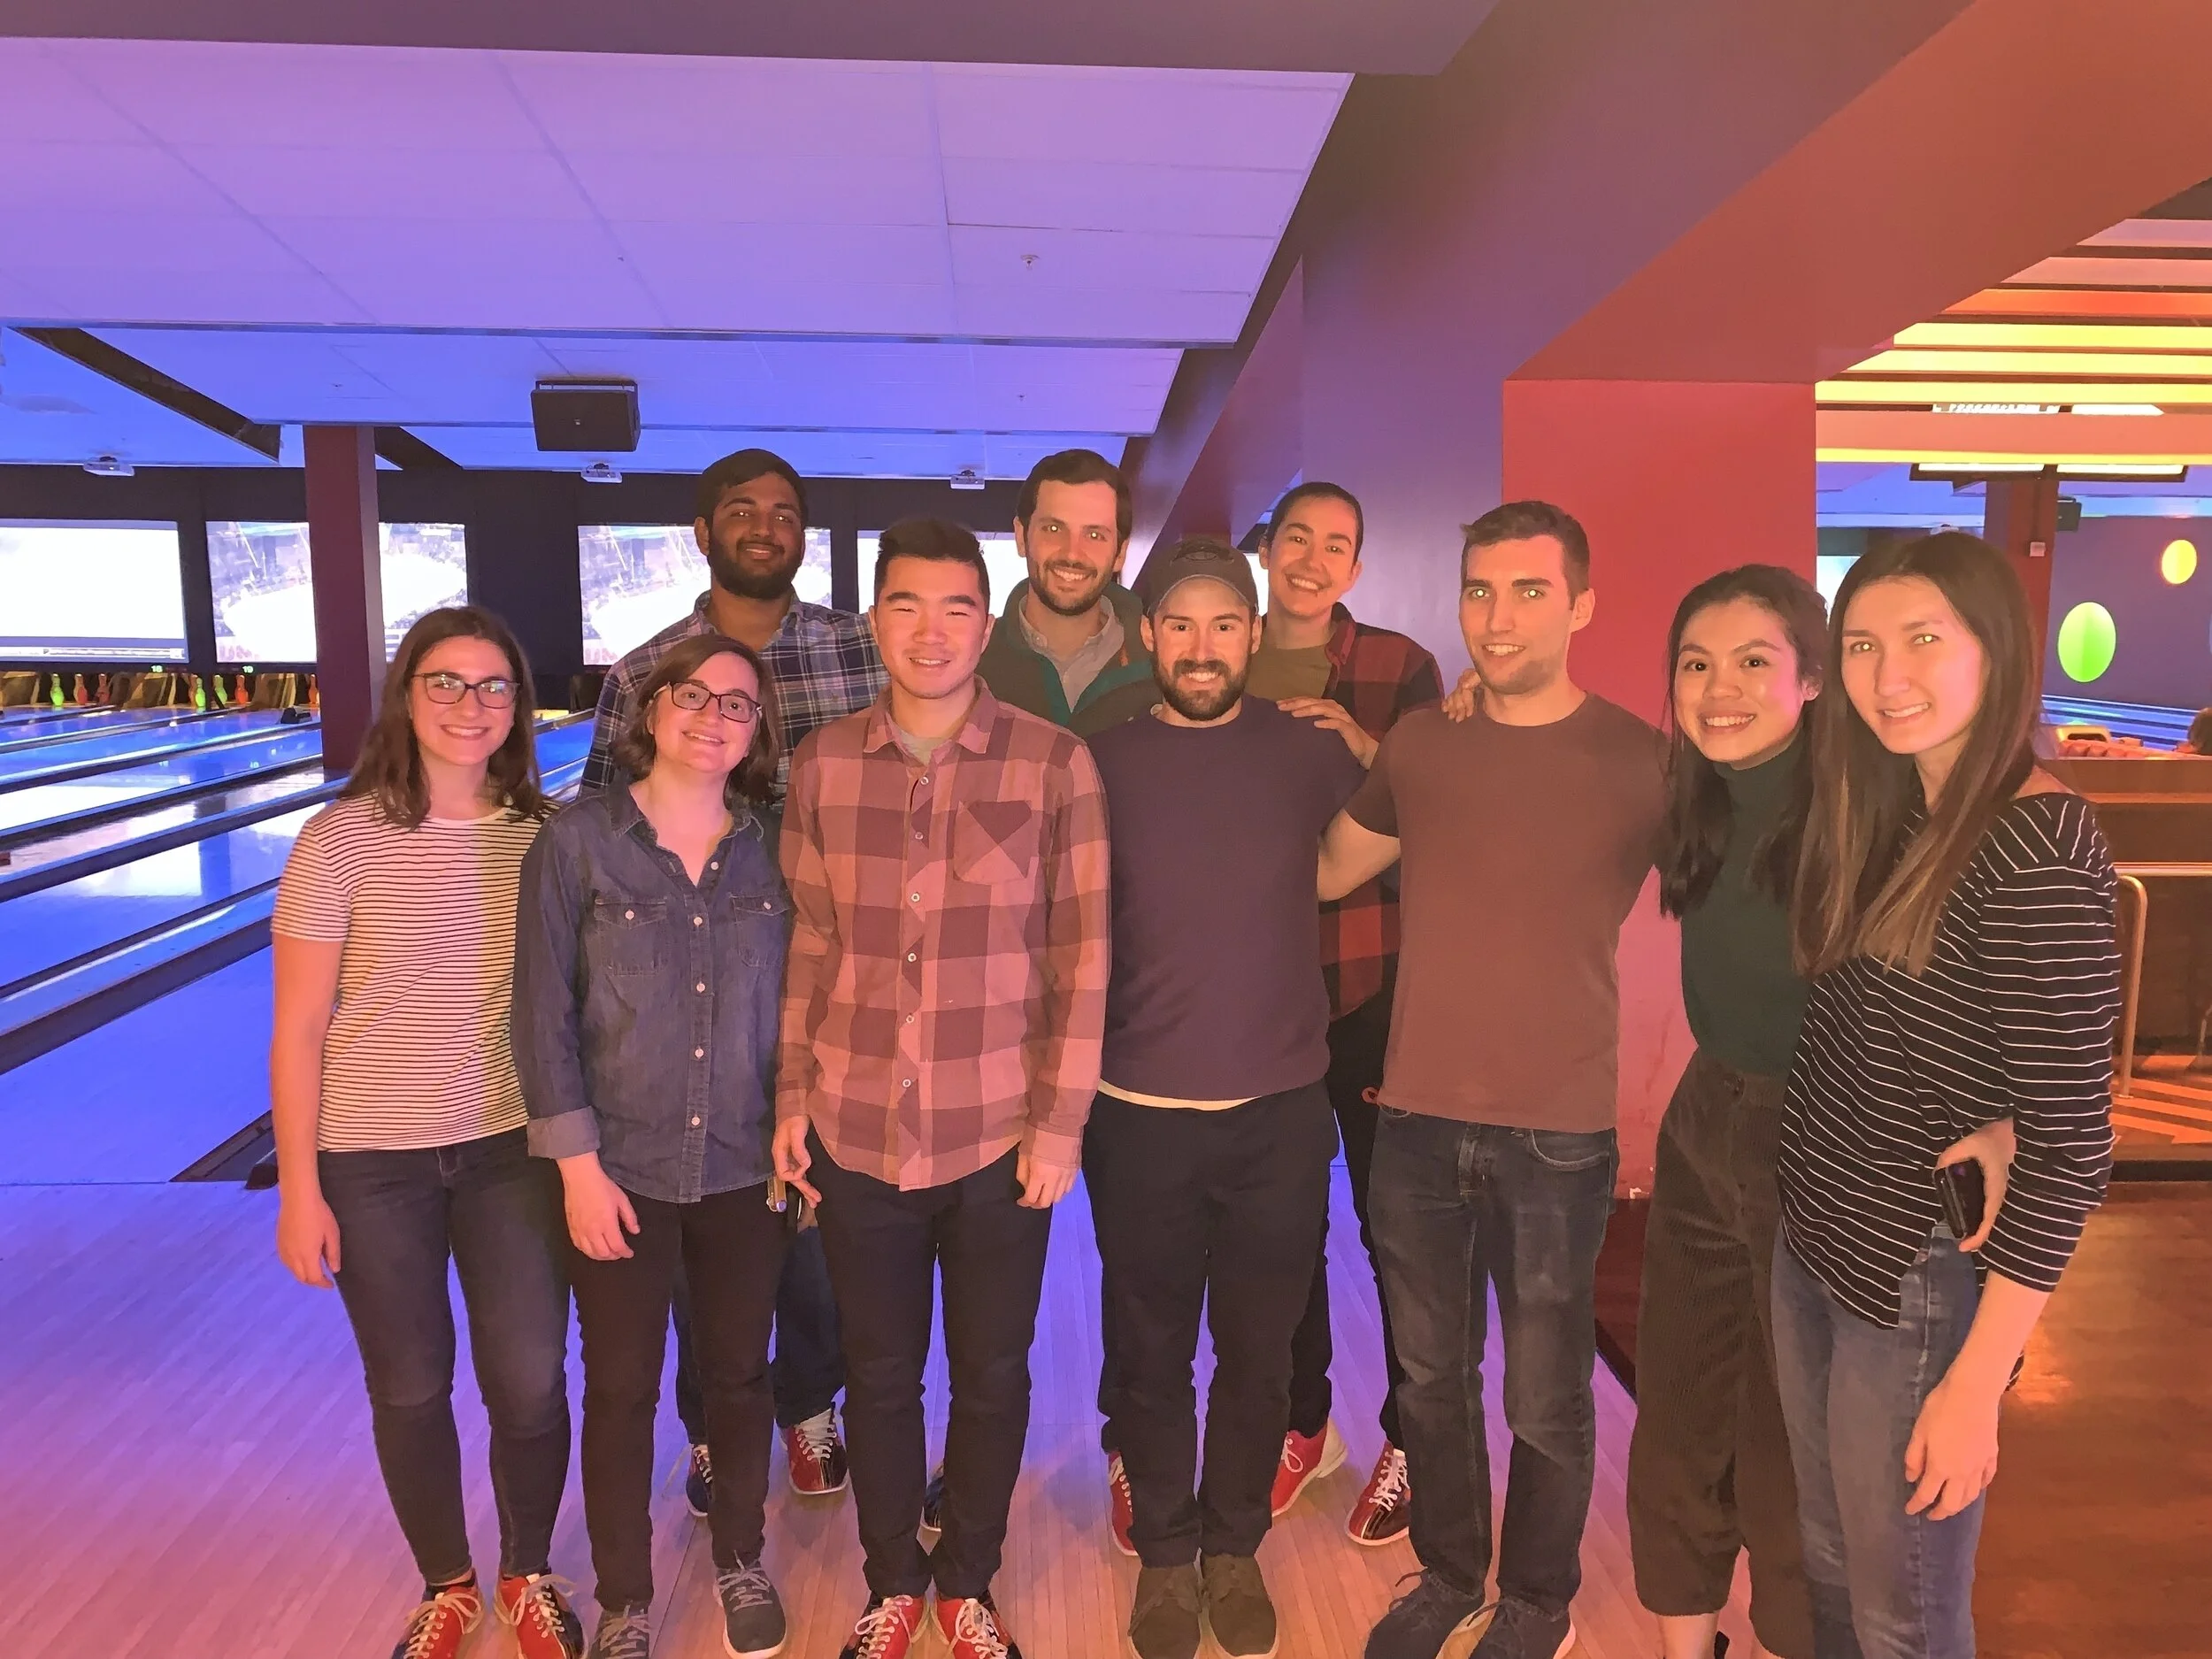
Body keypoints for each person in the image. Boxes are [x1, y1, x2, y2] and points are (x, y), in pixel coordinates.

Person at [1318, 501, 1669, 1659]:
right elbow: (1328, 868)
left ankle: (1536, 1600)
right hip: (1416, 1120)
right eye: (1480, 589)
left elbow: (1745, 887)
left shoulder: (1640, 761)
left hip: (1557, 1133)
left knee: (1545, 1393)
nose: (1498, 615)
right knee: (1430, 1377)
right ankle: (1449, 1573)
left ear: (1581, 604)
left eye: (1528, 590)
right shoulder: (1425, 743)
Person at [1776, 531, 2120, 1659]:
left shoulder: (2035, 841)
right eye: (1862, 644)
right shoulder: (1894, 805)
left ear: (1996, 650)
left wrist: (1976, 1385)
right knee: (1835, 1572)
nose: (1888, 676)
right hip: (1816, 1236)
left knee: (1904, 1616)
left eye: (1922, 638)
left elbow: (2073, 1147)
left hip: (1914, 1278)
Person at [772, 518, 1111, 1659]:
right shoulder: (822, 766)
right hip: (854, 1124)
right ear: (875, 619)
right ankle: (892, 1581)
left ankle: (966, 1580)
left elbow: (1081, 957)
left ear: (986, 619)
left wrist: (1060, 1123)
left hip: (998, 1130)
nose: (930, 630)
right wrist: (789, 1099)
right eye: (906, 605)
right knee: (877, 1376)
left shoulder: (1053, 763)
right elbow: (809, 946)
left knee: (992, 1373)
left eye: (955, 606)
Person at [270, 607, 581, 1659]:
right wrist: (299, 1190)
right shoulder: (338, 841)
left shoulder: (543, 837)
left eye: (493, 685)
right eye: (446, 681)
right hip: (371, 1162)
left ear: (518, 707)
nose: (469, 704)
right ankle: (447, 1583)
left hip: (511, 1150)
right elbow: (299, 1027)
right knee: (408, 1386)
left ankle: (527, 1571)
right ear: (407, 695)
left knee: (531, 1379)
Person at [1084, 537, 1367, 1659]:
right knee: (1148, 1347)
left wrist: (1375, 746)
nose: (1201, 649)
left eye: (1222, 626)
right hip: (1136, 1110)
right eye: (1180, 627)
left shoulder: (1307, 751)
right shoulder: (1099, 760)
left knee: (1259, 1349)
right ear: (1149, 637)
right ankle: (1165, 1551)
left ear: (1252, 636)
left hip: (1280, 1114)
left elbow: (1362, 851)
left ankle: (1233, 1544)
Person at [581, 447, 875, 1515]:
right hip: (690, 995)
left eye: (784, 512)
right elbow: (604, 834)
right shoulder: (643, 672)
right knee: (701, 1227)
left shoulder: (860, 648)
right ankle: (712, 1426)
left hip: (832, 982)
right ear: (702, 532)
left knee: (815, 1226)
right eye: (741, 511)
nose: (764, 526)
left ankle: (809, 1405)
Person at [514, 634, 795, 1659]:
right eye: (693, 695)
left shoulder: (776, 848)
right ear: (652, 707)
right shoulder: (577, 844)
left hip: (746, 1167)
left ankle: (739, 1558)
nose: (713, 716)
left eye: (737, 704)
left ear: (756, 731)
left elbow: (805, 1005)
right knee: (623, 1388)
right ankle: (626, 1599)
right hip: (619, 1171)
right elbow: (541, 1019)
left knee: (740, 1376)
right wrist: (577, 1170)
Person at [1627, 567, 1827, 1659]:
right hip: (1708, 1114)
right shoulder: (1690, 793)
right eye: (1696, 664)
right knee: (1678, 1413)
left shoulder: (1863, 808)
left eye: (1753, 662)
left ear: (1811, 678)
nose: (1719, 689)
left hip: (1825, 1133)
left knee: (1790, 1439)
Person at [1248, 480, 1444, 1548]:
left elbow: (1446, 814)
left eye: (1336, 546)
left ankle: (1414, 1435)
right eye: (1297, 538)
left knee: (1394, 1227)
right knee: (1280, 1231)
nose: (1312, 560)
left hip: (1372, 986)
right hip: (1259, 991)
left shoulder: (1397, 667)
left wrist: (1371, 751)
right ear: (1266, 549)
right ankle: (1302, 1424)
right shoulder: (1221, 655)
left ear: (1355, 568)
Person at [977, 447, 1157, 732]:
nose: (1072, 553)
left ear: (1120, 553)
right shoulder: (972, 664)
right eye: (1053, 529)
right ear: (1022, 537)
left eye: (1095, 535)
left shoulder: (1165, 666)